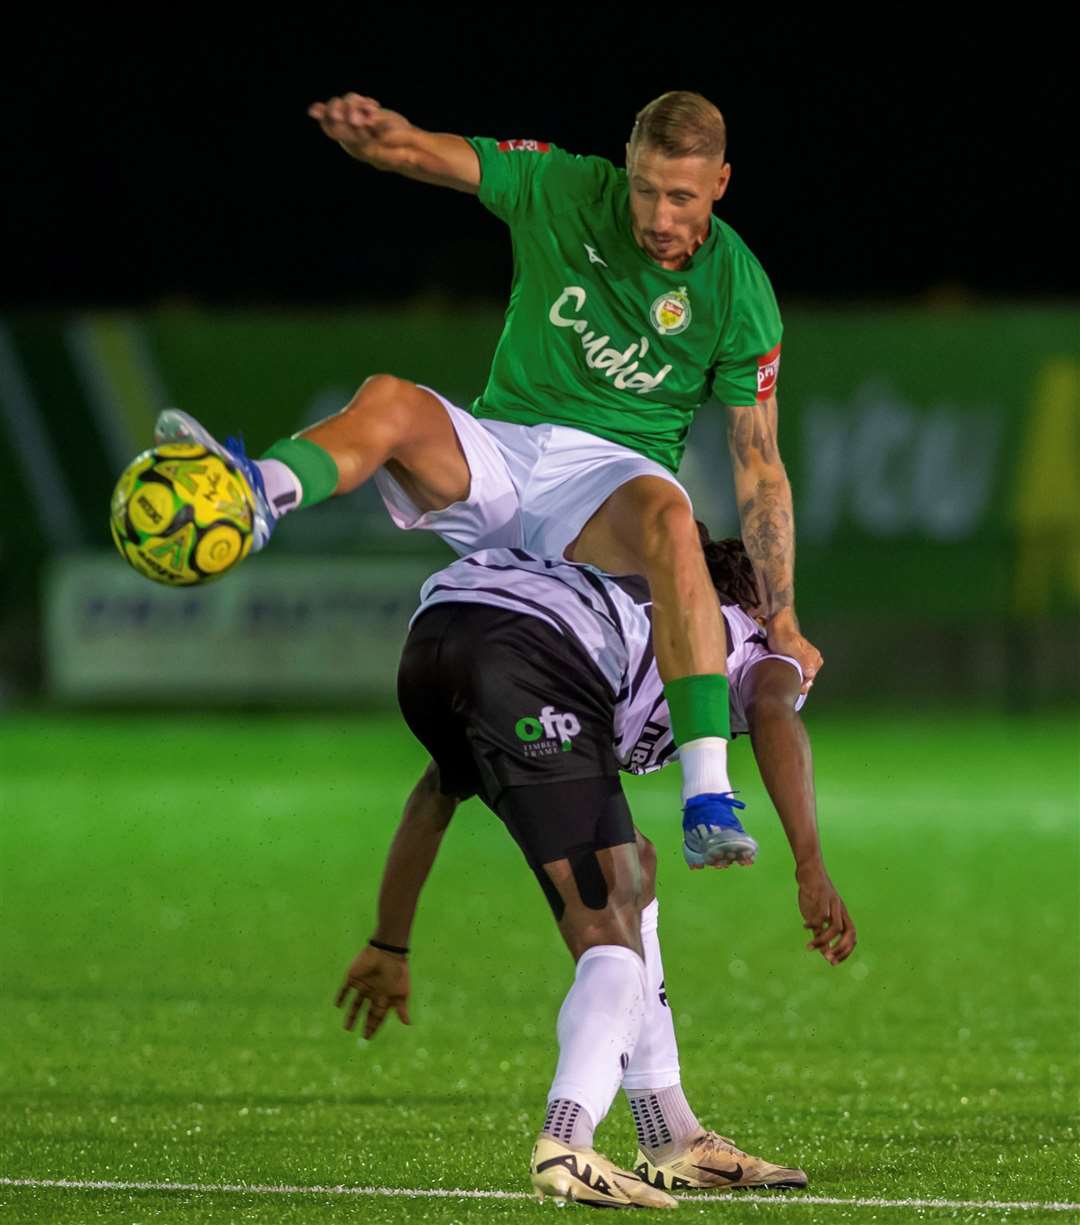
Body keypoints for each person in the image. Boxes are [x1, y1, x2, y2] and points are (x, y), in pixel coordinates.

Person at [154, 88, 822, 869]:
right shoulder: (566, 186)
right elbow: (425, 152)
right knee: (391, 401)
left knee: (672, 517)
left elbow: (759, 465)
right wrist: (379, 139)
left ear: (721, 183)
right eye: (645, 187)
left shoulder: (740, 291)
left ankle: (707, 797)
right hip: (503, 449)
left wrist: (781, 615)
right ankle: (249, 494)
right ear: (625, 169)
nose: (659, 215)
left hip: (604, 482)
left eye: (680, 195)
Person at [334, 531, 855, 1208]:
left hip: (435, 638)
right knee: (609, 921)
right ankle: (567, 1138)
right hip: (524, 647)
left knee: (633, 861)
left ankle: (669, 1133)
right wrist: (810, 868)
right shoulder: (743, 632)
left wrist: (388, 943)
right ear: (753, 602)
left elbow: (434, 795)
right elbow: (774, 707)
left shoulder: (629, 620)